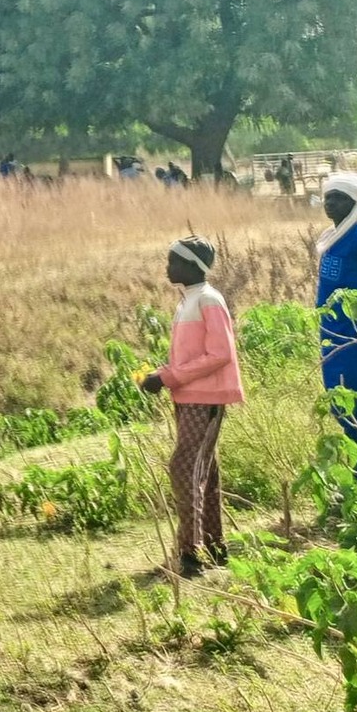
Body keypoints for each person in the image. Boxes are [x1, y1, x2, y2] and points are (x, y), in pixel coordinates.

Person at [137, 236, 244, 577]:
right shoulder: (189, 300)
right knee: (204, 470)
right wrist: (161, 376)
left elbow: (220, 354)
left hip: (205, 398)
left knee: (185, 466)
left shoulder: (209, 300)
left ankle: (189, 553)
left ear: (191, 265)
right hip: (189, 396)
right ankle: (214, 546)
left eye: (173, 261)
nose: (167, 268)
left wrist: (167, 377)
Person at [317, 171, 357, 486]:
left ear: (355, 202)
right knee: (344, 412)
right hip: (333, 345)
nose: (330, 203)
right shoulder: (331, 241)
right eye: (328, 196)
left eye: (339, 197)